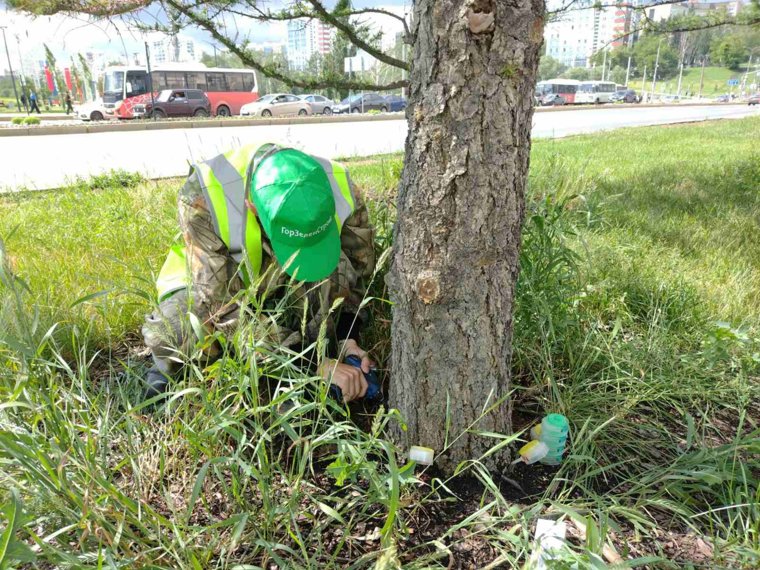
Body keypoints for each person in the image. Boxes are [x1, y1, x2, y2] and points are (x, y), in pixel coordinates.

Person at [141, 143, 377, 403]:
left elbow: (358, 268)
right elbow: (223, 306)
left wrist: (347, 338)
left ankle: (291, 357)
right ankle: (170, 372)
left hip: (277, 284)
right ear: (252, 206)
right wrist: (311, 368)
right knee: (174, 329)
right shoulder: (205, 194)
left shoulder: (341, 186)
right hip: (212, 287)